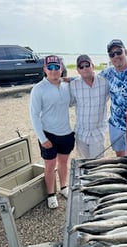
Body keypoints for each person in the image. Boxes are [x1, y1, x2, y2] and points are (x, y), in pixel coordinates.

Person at [30, 55, 75, 209]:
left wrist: (72, 80)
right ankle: (51, 194)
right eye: (50, 68)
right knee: (50, 166)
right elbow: (34, 115)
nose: (54, 71)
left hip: (66, 133)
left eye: (57, 67)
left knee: (63, 162)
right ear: (44, 69)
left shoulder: (66, 85)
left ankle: (63, 188)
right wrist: (42, 138)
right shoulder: (38, 89)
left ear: (61, 69)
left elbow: (73, 101)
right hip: (48, 134)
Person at [69, 54, 110, 159]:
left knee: (98, 166)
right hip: (81, 133)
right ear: (78, 70)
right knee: (85, 164)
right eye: (81, 67)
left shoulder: (105, 82)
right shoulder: (73, 85)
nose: (85, 68)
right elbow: (67, 103)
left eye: (87, 65)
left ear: (93, 65)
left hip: (98, 133)